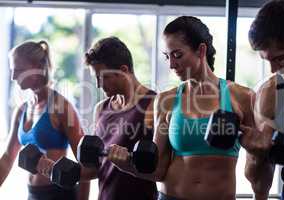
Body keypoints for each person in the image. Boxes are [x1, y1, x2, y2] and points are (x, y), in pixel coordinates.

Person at [106, 16, 255, 200]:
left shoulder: (241, 97)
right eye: (167, 56)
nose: (171, 64)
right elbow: (158, 170)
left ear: (201, 50)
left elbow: (258, 163)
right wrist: (127, 164)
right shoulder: (166, 101)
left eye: (177, 55)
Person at [0, 40, 91, 200]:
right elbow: (8, 157)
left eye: (19, 70)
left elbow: (85, 163)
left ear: (36, 69)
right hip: (32, 194)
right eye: (12, 71)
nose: (13, 77)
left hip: (59, 194)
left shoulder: (62, 108)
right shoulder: (21, 110)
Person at [84, 36, 157, 200]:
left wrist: (128, 164)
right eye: (96, 78)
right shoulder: (101, 108)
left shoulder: (154, 105)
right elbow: (97, 167)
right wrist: (51, 169)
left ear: (124, 70)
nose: (98, 85)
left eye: (103, 77)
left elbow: (163, 169)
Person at [243, 1, 284, 200]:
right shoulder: (278, 89)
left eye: (280, 58)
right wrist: (257, 153)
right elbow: (259, 184)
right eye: (267, 60)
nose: (274, 70)